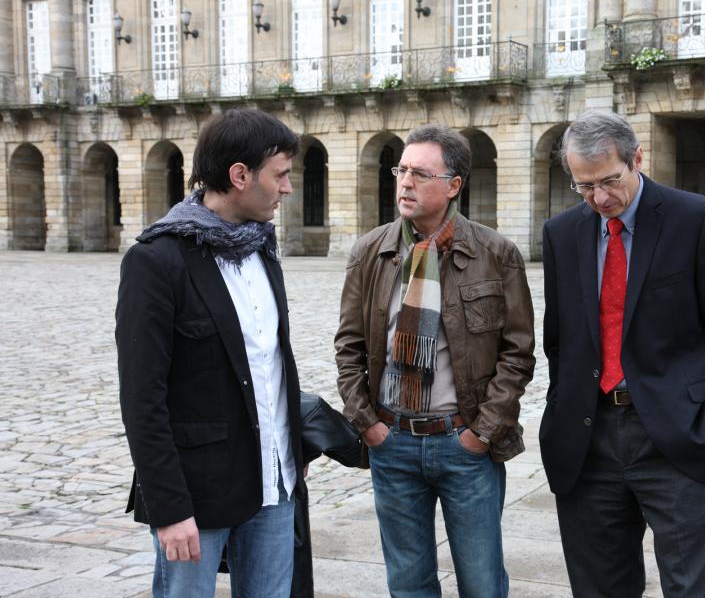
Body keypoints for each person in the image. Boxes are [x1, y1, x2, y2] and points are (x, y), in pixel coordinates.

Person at [540, 110, 705, 598]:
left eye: (609, 181)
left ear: (637, 157)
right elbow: (560, 339)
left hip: (675, 436)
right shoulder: (561, 233)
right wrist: (563, 408)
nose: (598, 198)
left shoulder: (695, 218)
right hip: (587, 439)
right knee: (599, 587)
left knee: (696, 587)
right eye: (584, 186)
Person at [334, 124, 535, 597]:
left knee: (482, 582)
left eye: (421, 174)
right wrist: (367, 424)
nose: (405, 182)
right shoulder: (370, 252)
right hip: (392, 442)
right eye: (402, 170)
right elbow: (348, 346)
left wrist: (481, 432)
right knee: (408, 583)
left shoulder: (496, 254)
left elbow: (517, 352)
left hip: (463, 444)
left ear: (453, 185)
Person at [116, 108, 306, 598]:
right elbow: (142, 400)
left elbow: (271, 362)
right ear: (240, 176)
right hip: (197, 496)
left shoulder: (262, 246)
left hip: (275, 480)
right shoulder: (157, 261)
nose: (288, 188)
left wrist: (295, 445)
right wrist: (169, 508)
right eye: (280, 175)